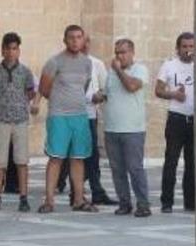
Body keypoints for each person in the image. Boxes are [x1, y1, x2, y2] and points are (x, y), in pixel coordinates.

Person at [37, 24, 96, 214]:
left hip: (80, 115)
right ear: (65, 40)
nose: (75, 41)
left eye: (79, 37)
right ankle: (49, 200)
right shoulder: (55, 62)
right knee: (56, 158)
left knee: (78, 158)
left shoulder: (87, 63)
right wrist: (60, 102)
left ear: (83, 39)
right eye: (71, 37)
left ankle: (78, 200)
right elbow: (44, 89)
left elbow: (84, 87)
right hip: (59, 116)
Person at [0, 32, 37, 213]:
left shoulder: (25, 72)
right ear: (2, 50)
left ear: (19, 51)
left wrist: (24, 105)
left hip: (20, 120)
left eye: (14, 48)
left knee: (21, 160)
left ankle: (23, 197)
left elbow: (31, 93)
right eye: (7, 48)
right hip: (1, 120)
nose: (11, 52)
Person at [103, 38, 150, 218]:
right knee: (117, 169)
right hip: (112, 128)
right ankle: (124, 203)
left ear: (132, 53)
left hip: (133, 129)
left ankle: (143, 204)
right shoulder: (110, 73)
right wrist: (97, 96)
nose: (119, 56)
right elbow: (107, 94)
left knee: (135, 167)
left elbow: (131, 86)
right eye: (117, 53)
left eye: (122, 52)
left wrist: (118, 70)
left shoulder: (140, 70)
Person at [155, 32, 195, 213]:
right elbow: (158, 90)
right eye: (184, 47)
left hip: (195, 120)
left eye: (191, 46)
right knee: (171, 160)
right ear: (178, 48)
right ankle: (167, 202)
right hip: (176, 118)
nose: (188, 50)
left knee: (192, 162)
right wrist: (174, 94)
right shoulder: (169, 65)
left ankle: (191, 202)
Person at [79, 35, 115, 206]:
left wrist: (100, 96)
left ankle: (96, 190)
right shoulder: (64, 62)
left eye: (86, 41)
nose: (84, 45)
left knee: (93, 155)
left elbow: (105, 87)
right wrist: (89, 97)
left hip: (90, 115)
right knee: (72, 156)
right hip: (71, 114)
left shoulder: (97, 63)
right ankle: (74, 190)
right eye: (80, 40)